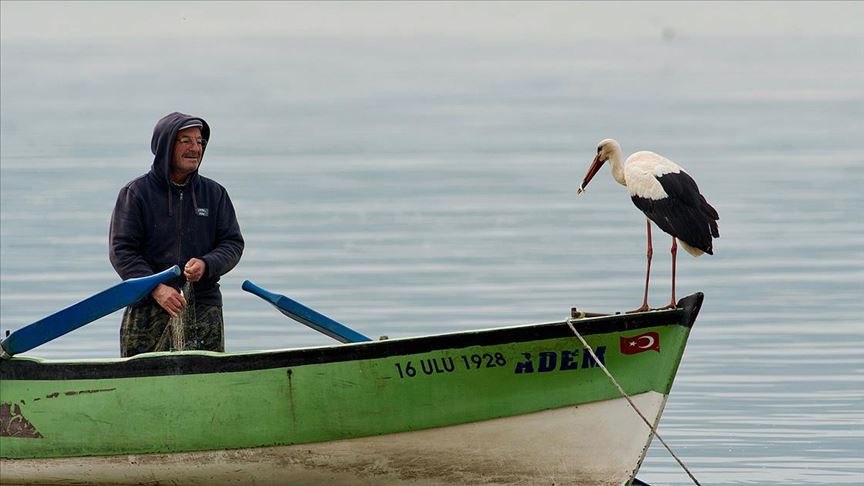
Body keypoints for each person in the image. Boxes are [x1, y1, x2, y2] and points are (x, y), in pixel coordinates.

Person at [109, 112, 244, 357]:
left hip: (204, 306)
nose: (196, 148)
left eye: (200, 142)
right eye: (186, 141)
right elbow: (122, 252)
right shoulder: (136, 194)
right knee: (140, 386)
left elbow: (232, 243)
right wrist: (156, 288)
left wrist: (207, 263)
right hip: (147, 308)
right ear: (166, 145)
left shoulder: (215, 194)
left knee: (205, 385)